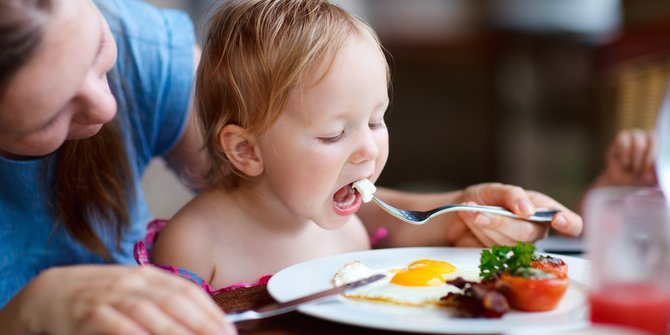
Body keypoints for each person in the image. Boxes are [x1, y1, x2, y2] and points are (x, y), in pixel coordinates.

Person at [147, 0, 583, 291]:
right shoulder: (195, 245)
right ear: (247, 151)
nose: (368, 151)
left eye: (376, 121)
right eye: (334, 134)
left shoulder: (351, 232)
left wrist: (482, 215)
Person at [0, 0, 235, 334]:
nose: (106, 107)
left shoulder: (139, 44)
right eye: (49, 117)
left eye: (98, 48)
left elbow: (275, 198)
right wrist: (19, 318)